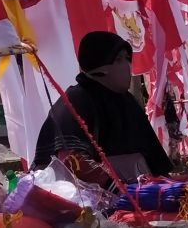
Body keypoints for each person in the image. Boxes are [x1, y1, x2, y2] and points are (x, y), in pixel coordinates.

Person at [32, 31, 173, 188]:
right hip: (81, 197)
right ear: (99, 67)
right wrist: (117, 189)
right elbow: (71, 159)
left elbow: (154, 160)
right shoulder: (76, 99)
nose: (127, 66)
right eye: (119, 60)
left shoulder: (128, 102)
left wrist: (171, 188)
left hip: (134, 194)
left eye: (127, 59)